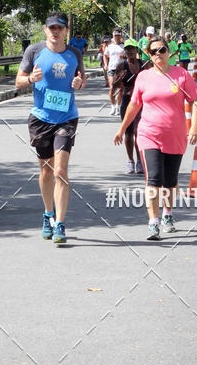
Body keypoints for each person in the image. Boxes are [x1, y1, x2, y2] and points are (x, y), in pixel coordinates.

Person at [114, 37, 197, 240]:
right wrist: (122, 129)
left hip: (175, 135)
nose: (158, 54)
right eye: (153, 51)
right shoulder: (143, 77)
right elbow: (134, 105)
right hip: (148, 134)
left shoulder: (182, 75)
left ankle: (167, 214)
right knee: (153, 179)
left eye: (161, 50)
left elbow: (194, 101)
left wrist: (195, 126)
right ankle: (153, 222)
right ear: (149, 55)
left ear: (168, 51)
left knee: (170, 181)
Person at [15, 12, 87, 245]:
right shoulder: (34, 51)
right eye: (52, 28)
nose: (55, 31)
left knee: (60, 171)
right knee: (46, 171)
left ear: (66, 31)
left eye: (60, 28)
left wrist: (79, 83)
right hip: (41, 119)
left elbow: (82, 79)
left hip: (67, 118)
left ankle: (60, 223)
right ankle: (48, 214)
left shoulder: (74, 53)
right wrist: (31, 79)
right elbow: (18, 81)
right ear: (46, 30)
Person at [112, 39, 145, 174]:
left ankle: (140, 161)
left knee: (139, 131)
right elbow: (114, 86)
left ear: (136, 50)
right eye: (127, 49)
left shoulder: (144, 65)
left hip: (141, 102)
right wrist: (119, 79)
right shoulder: (122, 65)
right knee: (129, 132)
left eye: (132, 48)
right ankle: (130, 161)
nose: (130, 51)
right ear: (125, 51)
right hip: (127, 100)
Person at [104, 29, 125, 115]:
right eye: (115, 35)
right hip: (112, 69)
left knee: (120, 89)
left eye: (118, 35)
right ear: (113, 36)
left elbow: (128, 56)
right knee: (112, 88)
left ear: (120, 36)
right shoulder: (109, 46)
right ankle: (112, 106)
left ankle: (118, 106)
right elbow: (105, 55)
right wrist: (106, 64)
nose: (117, 37)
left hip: (121, 70)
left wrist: (124, 57)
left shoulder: (123, 46)